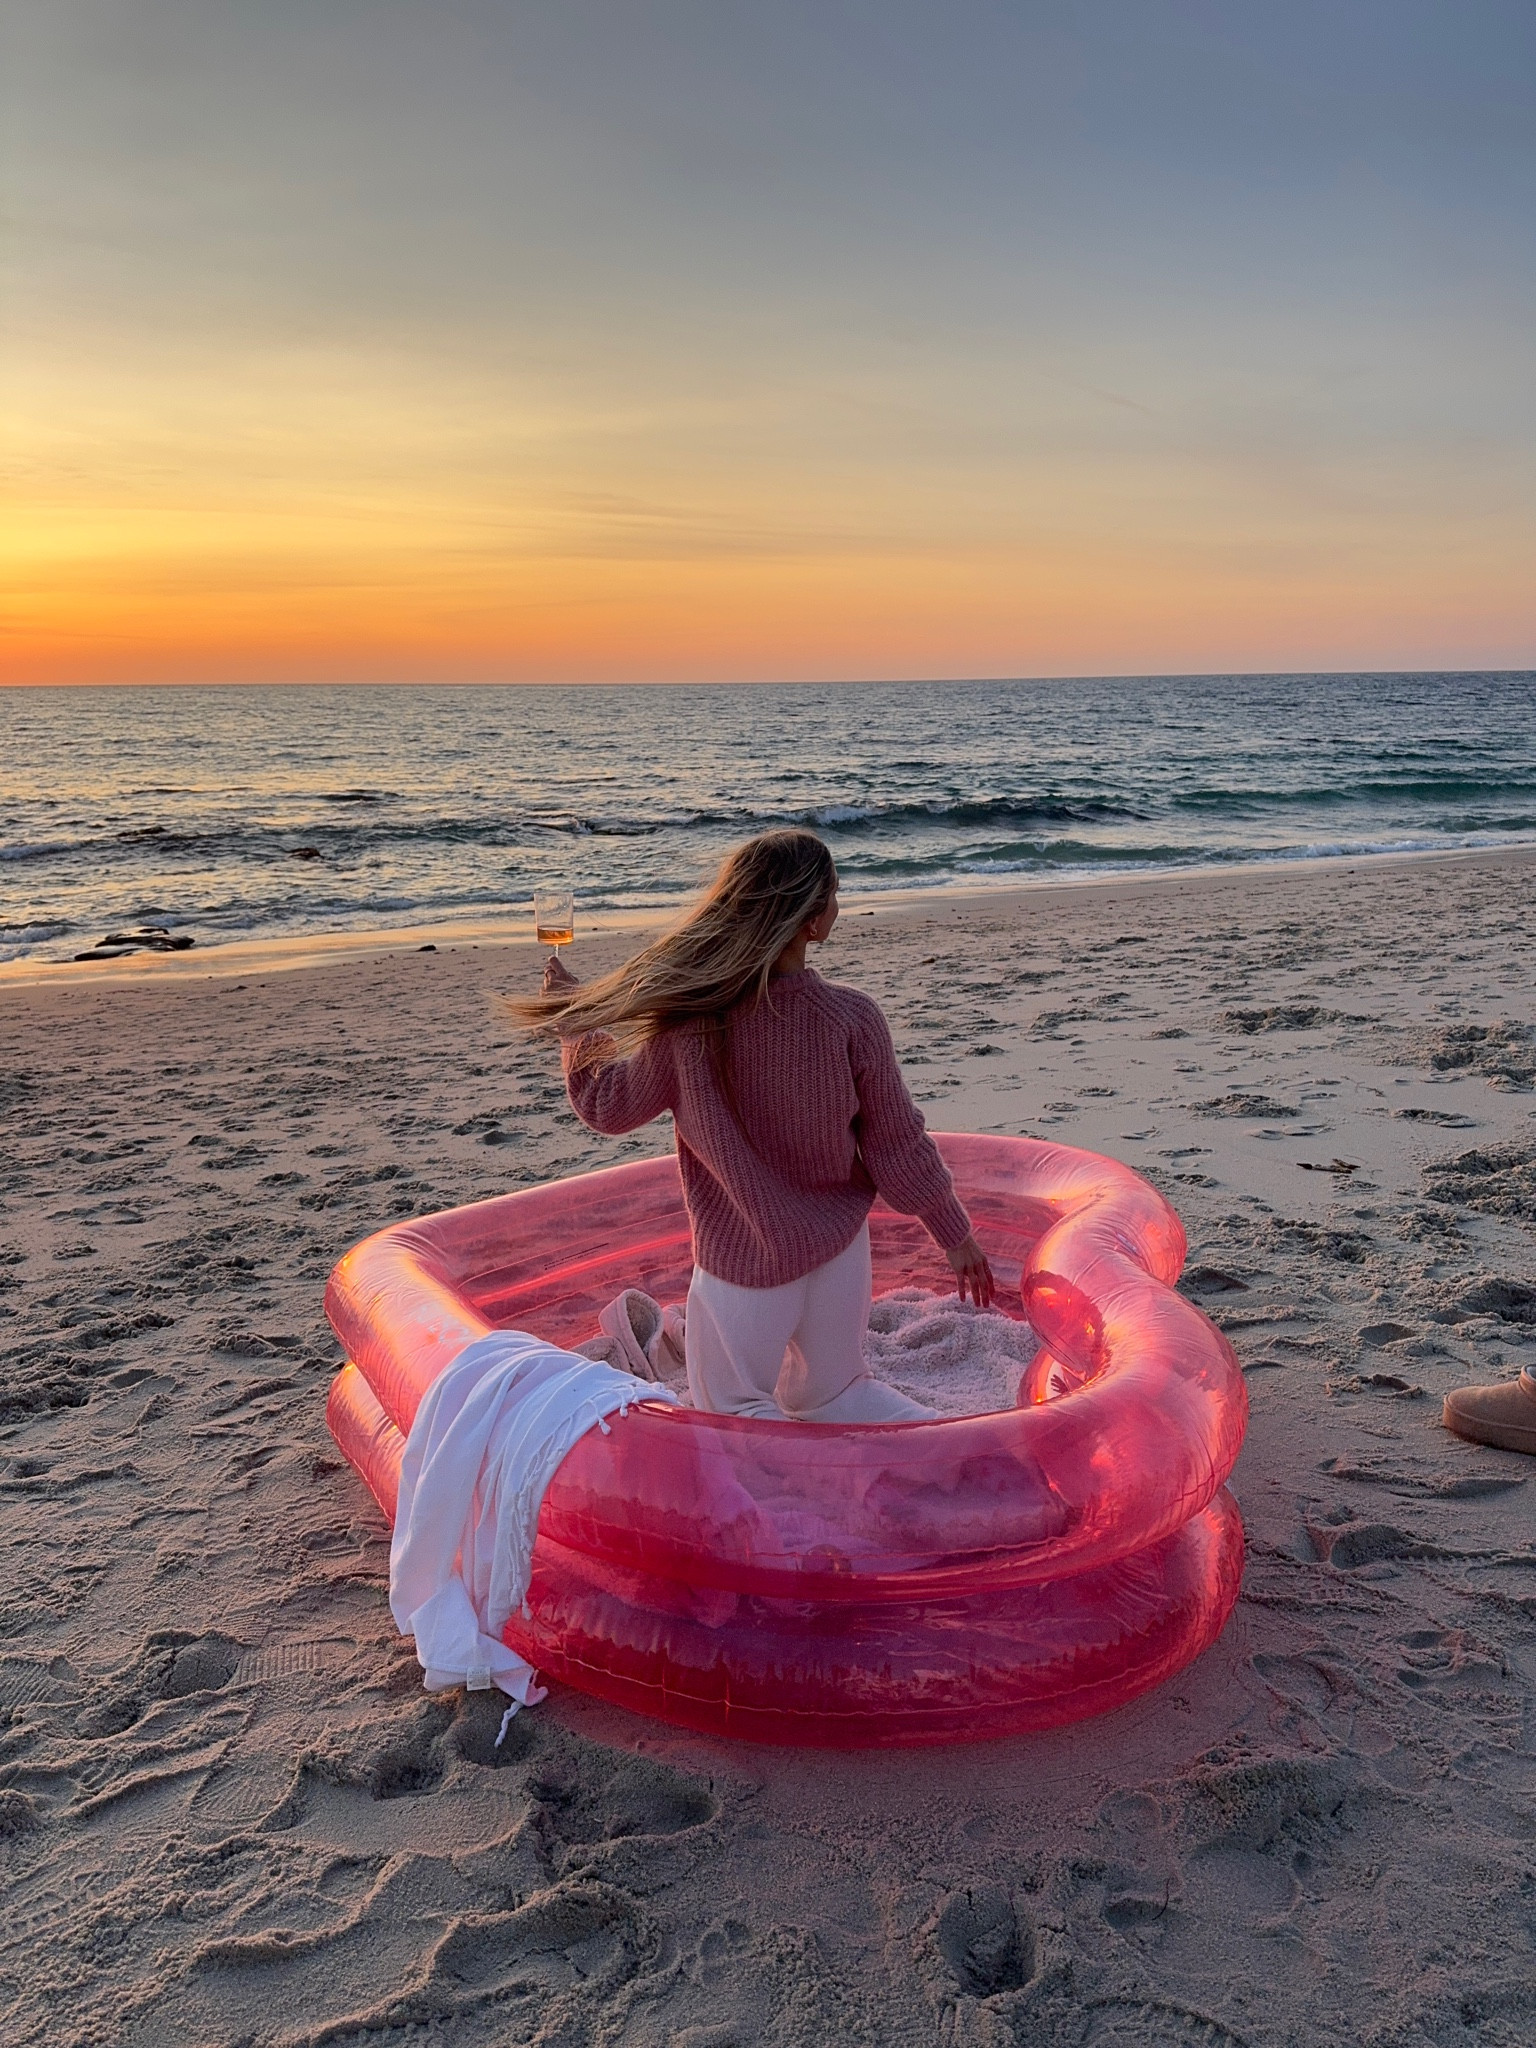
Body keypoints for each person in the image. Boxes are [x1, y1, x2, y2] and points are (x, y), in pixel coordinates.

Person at [508, 830, 994, 1422]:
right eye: (835, 894)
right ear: (813, 923)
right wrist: (955, 1234)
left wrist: (576, 1027)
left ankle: (804, 1490)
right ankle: (950, 1447)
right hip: (840, 1252)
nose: (838, 906)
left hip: (747, 1269)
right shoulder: (853, 1017)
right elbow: (899, 1147)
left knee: (733, 1414)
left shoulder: (689, 1026)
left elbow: (607, 1105)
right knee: (839, 1394)